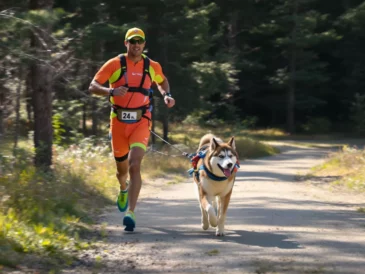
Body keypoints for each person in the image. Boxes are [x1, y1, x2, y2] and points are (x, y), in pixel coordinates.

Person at [89, 27, 175, 232]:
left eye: (140, 41)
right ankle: (123, 188)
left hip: (141, 121)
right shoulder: (115, 64)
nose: (136, 45)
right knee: (121, 170)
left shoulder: (151, 65)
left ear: (144, 44)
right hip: (118, 123)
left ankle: (131, 212)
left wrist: (166, 95)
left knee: (135, 164)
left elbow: (162, 80)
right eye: (132, 41)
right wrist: (111, 90)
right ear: (126, 43)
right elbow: (93, 86)